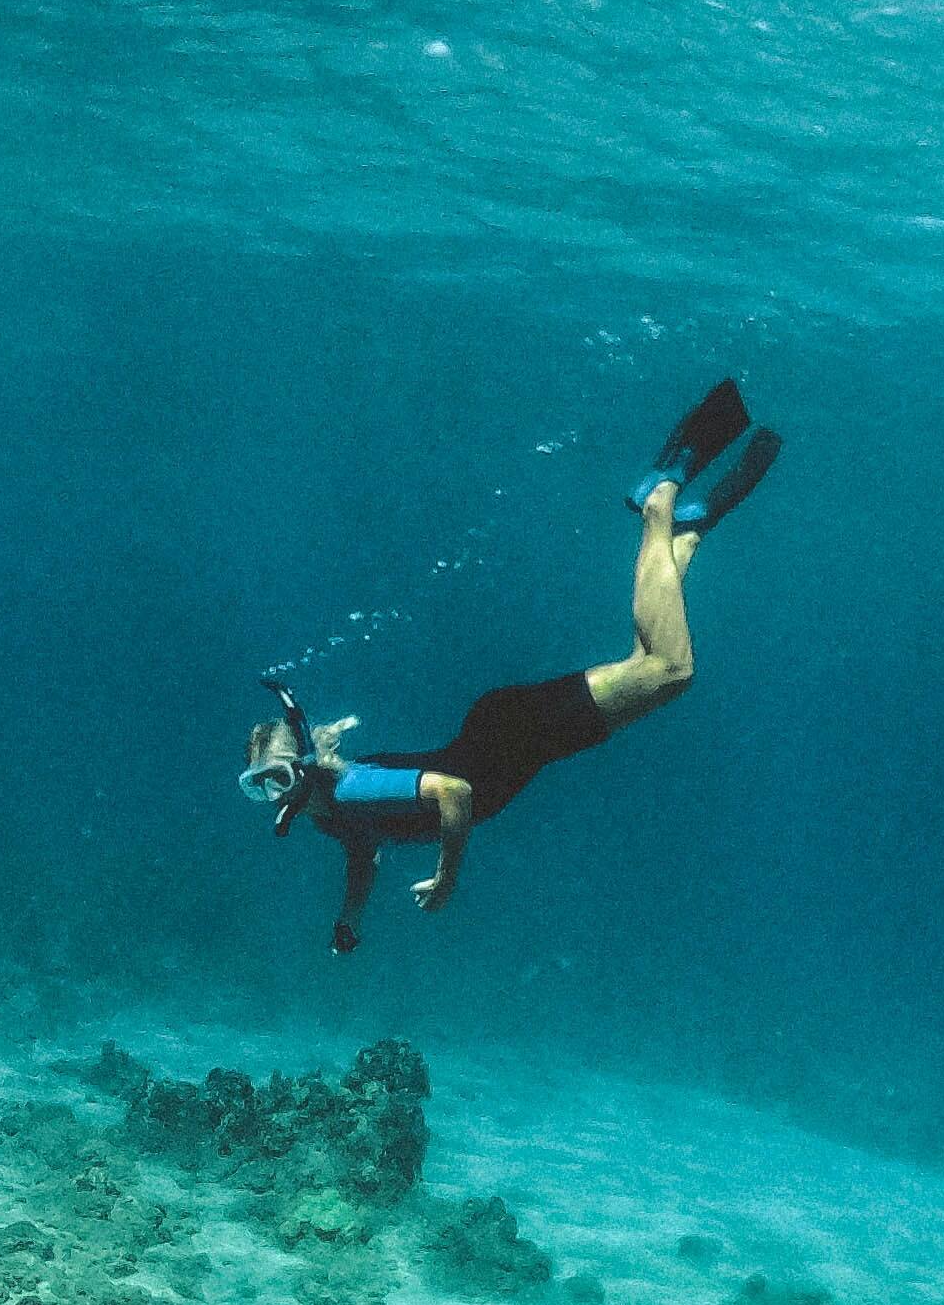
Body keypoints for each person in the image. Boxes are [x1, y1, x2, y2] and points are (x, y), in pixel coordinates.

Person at [241, 381, 780, 953]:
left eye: (276, 776)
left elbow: (454, 793)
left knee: (669, 669)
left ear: (301, 762)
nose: (275, 795)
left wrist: (448, 878)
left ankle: (661, 499)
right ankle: (685, 535)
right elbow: (363, 855)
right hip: (522, 741)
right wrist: (348, 920)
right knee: (653, 662)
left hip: (516, 732)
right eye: (260, 786)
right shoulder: (332, 816)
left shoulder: (349, 790)